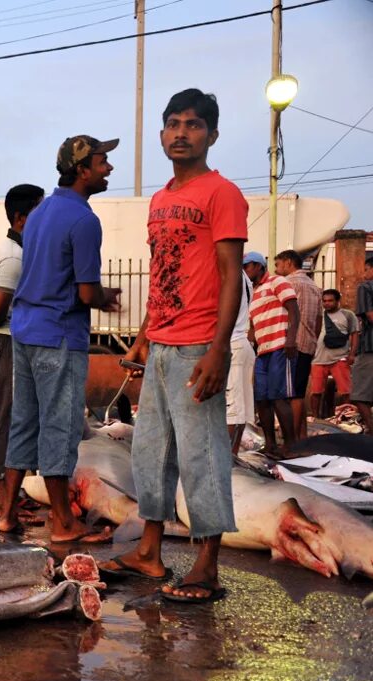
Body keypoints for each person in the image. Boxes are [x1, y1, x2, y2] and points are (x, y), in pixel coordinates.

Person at [103, 89, 247, 604]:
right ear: (162, 133)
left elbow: (231, 274)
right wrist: (143, 336)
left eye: (193, 124)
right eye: (172, 124)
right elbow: (164, 276)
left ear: (211, 134)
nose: (181, 133)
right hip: (162, 344)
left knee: (201, 456)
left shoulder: (222, 193)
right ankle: (149, 552)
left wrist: (219, 348)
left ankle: (207, 565)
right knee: (150, 454)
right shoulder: (161, 200)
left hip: (196, 347)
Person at [0, 135, 121, 539]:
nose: (109, 169)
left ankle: (6, 512)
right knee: (60, 427)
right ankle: (63, 522)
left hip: (25, 329)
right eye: (103, 162)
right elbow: (86, 292)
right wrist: (107, 298)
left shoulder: (39, 212)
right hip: (59, 334)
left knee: (25, 421)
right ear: (82, 169)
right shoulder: (84, 220)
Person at [0, 184, 45, 493]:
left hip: (19, 340)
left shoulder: (24, 249)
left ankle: (22, 486)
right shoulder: (12, 256)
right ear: (21, 218)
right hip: (8, 341)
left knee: (23, 414)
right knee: (7, 414)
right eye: (38, 212)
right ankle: (4, 487)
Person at [244, 251, 299, 454]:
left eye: (247, 265)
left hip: (280, 346)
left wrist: (291, 338)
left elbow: (294, 309)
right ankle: (270, 443)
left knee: (278, 397)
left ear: (259, 266)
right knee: (261, 398)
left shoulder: (278, 281)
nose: (245, 270)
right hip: (262, 351)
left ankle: (291, 444)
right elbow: (253, 325)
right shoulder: (253, 291)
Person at [275, 249, 322, 440]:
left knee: (290, 394)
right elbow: (319, 320)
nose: (277, 269)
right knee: (299, 393)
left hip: (291, 344)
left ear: (288, 262)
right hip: (308, 343)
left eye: (278, 264)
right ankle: (301, 437)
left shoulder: (289, 283)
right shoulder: (313, 285)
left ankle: (293, 440)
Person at [309, 289, 359, 416]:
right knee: (315, 392)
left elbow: (354, 335)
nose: (327, 303)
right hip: (319, 359)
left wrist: (352, 354)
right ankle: (315, 418)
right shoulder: (319, 315)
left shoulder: (348, 315)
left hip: (340, 358)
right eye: (324, 301)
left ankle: (346, 417)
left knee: (345, 391)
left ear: (337, 301)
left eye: (330, 301)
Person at [225, 268, 255, 455]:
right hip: (239, 343)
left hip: (231, 344)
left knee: (233, 409)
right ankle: (231, 454)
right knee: (238, 408)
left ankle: (229, 456)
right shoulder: (244, 277)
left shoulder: (232, 274)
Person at [353, 258, 373, 434]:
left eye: (366, 269)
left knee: (359, 394)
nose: (364, 273)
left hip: (369, 347)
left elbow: (370, 316)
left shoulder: (365, 287)